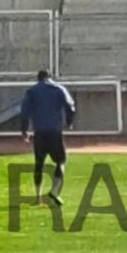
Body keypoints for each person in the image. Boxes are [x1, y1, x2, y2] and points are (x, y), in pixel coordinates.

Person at [20, 70, 76, 206]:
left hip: (39, 132)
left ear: (38, 78)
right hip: (55, 132)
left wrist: (24, 130)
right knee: (60, 161)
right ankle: (54, 192)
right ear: (50, 77)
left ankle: (37, 197)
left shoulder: (32, 91)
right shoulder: (58, 88)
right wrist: (69, 122)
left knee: (39, 163)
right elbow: (70, 106)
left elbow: (24, 112)